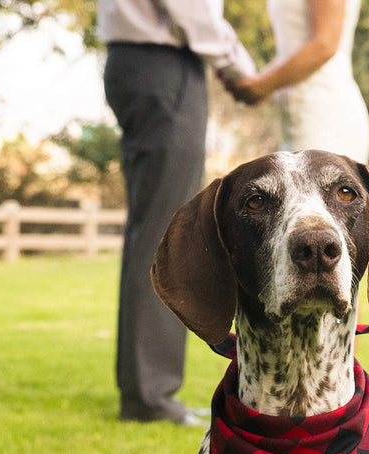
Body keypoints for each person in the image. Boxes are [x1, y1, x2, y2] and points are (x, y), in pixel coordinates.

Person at [98, 0, 255, 424]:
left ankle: (143, 390)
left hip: (134, 60)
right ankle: (150, 396)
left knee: (149, 228)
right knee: (164, 232)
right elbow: (192, 9)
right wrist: (239, 66)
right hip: (164, 62)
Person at [223, 0, 369, 162]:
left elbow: (324, 45)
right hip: (296, 118)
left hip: (325, 116)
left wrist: (261, 86)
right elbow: (290, 53)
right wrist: (255, 82)